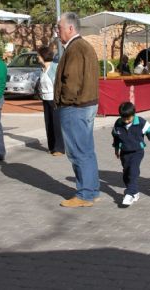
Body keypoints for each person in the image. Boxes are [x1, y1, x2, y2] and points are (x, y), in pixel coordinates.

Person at [55, 12, 100, 208]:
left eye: (59, 28)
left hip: (75, 107)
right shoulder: (84, 46)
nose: (57, 32)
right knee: (86, 151)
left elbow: (71, 82)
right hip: (85, 104)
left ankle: (85, 194)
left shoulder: (75, 48)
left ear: (70, 28)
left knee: (78, 152)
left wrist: (65, 102)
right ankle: (91, 190)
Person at [111, 102, 150, 207]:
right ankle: (135, 192)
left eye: (128, 119)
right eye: (124, 118)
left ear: (134, 114)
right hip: (124, 152)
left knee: (133, 170)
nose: (126, 121)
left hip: (137, 151)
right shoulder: (118, 124)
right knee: (126, 174)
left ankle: (129, 194)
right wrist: (116, 148)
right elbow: (116, 137)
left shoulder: (141, 122)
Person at [37, 46, 64, 156]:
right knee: (49, 124)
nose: (37, 57)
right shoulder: (42, 69)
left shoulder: (55, 67)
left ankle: (60, 148)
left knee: (56, 124)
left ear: (43, 56)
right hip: (45, 99)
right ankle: (52, 146)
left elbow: (60, 83)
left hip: (54, 99)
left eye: (38, 55)